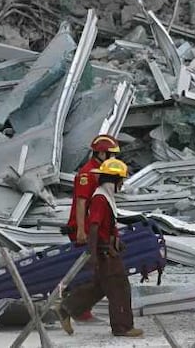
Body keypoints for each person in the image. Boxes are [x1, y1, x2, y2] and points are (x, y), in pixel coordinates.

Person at [59, 158, 143, 338]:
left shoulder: (104, 196)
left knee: (100, 286)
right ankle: (122, 327)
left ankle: (67, 307)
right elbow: (94, 226)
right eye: (122, 180)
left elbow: (107, 225)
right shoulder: (100, 198)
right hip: (104, 251)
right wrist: (94, 253)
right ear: (116, 180)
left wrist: (116, 240)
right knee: (119, 286)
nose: (122, 184)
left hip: (105, 248)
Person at [65, 134, 120, 322]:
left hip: (93, 225)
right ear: (101, 153)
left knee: (96, 269)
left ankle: (79, 308)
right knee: (90, 268)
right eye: (111, 154)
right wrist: (80, 230)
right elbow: (81, 202)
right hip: (84, 227)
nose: (113, 158)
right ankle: (78, 310)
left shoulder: (100, 170)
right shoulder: (87, 173)